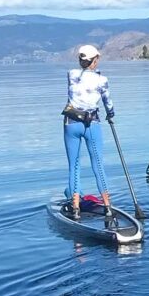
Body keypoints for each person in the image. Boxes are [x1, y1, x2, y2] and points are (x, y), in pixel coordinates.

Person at [62, 44, 114, 220]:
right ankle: (107, 207)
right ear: (95, 60)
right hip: (92, 123)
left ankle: (75, 208)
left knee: (74, 166)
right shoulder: (102, 80)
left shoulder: (71, 74)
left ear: (80, 60)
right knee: (98, 165)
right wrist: (111, 114)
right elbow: (108, 102)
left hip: (71, 123)